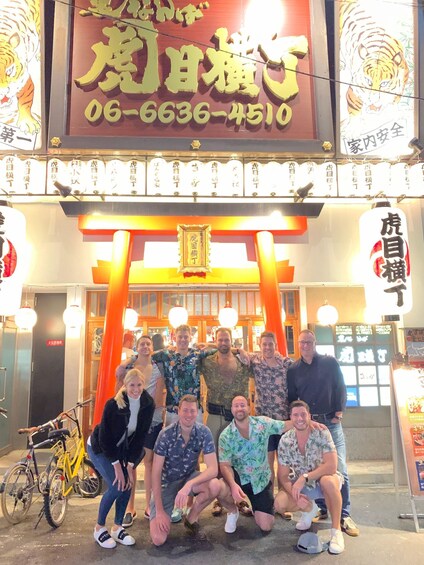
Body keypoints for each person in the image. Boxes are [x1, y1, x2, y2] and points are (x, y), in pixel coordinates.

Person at [287, 329, 359, 537]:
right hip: (309, 425)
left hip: (330, 422)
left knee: (339, 468)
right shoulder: (293, 369)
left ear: (315, 343)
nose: (305, 346)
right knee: (314, 467)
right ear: (298, 344)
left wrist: (339, 412)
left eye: (309, 342)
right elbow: (292, 398)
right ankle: (323, 507)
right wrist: (298, 421)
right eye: (302, 342)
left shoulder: (329, 363)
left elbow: (340, 387)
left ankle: (344, 515)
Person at [87, 368, 155, 549]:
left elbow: (140, 437)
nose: (136, 389)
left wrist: (130, 466)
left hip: (123, 451)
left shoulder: (148, 404)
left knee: (128, 484)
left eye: (139, 385)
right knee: (117, 485)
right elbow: (105, 439)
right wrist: (117, 466)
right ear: (125, 385)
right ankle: (99, 528)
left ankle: (117, 527)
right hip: (100, 448)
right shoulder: (113, 405)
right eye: (132, 385)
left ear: (144, 384)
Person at [274, 400, 345, 554]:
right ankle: (310, 510)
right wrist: (295, 494)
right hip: (303, 486)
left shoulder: (322, 432)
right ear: (290, 418)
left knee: (328, 482)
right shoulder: (285, 440)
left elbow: (332, 466)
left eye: (303, 414)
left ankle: (336, 531)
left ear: (309, 416)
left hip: (323, 479)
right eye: (295, 415)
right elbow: (283, 476)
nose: (300, 418)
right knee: (279, 503)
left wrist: (305, 477)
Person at [149, 394, 220, 546]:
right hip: (167, 483)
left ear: (197, 412)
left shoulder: (204, 432)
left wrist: (189, 485)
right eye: (185, 410)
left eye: (192, 411)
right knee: (158, 539)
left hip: (189, 479)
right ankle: (162, 511)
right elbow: (155, 474)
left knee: (215, 485)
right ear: (178, 411)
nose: (189, 415)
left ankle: (191, 518)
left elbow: (213, 469)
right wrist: (159, 510)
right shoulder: (165, 434)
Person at [216, 395, 293, 534]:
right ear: (232, 409)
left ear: (249, 407)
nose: (240, 408)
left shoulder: (262, 423)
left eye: (242, 405)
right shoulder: (225, 435)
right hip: (239, 478)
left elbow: (283, 426)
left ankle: (257, 507)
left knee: (266, 526)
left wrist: (306, 421)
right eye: (236, 406)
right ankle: (233, 511)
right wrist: (233, 485)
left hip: (260, 481)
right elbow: (225, 465)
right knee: (218, 487)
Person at [199, 327, 254, 517]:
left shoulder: (244, 361)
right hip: (215, 414)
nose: (223, 343)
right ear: (216, 341)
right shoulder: (207, 361)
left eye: (226, 340)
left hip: (238, 417)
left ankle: (240, 498)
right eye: (220, 340)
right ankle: (219, 499)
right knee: (215, 460)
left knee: (239, 459)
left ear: (232, 341)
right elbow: (192, 350)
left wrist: (241, 351)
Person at [116, 335, 166, 526]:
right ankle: (130, 507)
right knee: (131, 463)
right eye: (142, 344)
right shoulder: (129, 366)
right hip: (131, 420)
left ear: (152, 347)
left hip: (152, 420)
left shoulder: (158, 367)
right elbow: (118, 381)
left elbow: (159, 396)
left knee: (149, 462)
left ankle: (148, 504)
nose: (145, 346)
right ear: (137, 347)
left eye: (148, 344)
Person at [248, 331, 294, 487]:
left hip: (283, 422)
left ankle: (283, 497)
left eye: (270, 344)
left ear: (276, 345)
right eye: (264, 344)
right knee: (267, 466)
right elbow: (235, 351)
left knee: (284, 465)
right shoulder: (255, 362)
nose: (267, 347)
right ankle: (269, 499)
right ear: (259, 345)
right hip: (263, 423)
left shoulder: (286, 364)